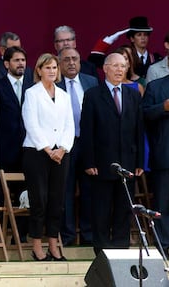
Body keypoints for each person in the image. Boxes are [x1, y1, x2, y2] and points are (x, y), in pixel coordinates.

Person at [80, 53, 144, 255]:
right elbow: (87, 130)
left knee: (124, 210)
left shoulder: (133, 95)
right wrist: (89, 161)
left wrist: (140, 160)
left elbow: (138, 130)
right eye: (115, 66)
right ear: (105, 68)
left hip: (127, 163)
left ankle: (121, 251)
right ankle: (102, 253)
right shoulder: (92, 95)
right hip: (102, 163)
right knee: (101, 209)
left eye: (123, 66)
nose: (119, 70)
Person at [22, 53, 74, 261]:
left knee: (57, 201)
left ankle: (53, 244)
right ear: (39, 70)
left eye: (54, 67)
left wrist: (62, 148)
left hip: (61, 154)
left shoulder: (64, 95)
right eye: (47, 67)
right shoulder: (32, 93)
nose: (52, 71)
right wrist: (48, 149)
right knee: (39, 201)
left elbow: (69, 124)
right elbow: (31, 123)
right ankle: (36, 245)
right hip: (37, 153)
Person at [0, 46, 33, 242]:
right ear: (6, 64)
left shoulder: (33, 87)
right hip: (3, 151)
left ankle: (21, 236)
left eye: (23, 60)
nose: (21, 64)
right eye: (16, 60)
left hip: (27, 151)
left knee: (25, 194)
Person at [57, 47, 98, 246]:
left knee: (90, 190)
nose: (71, 63)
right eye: (66, 60)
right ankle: (68, 235)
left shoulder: (91, 82)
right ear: (59, 63)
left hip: (87, 143)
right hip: (64, 144)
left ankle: (89, 234)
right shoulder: (54, 84)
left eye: (75, 59)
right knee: (65, 190)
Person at [143, 73, 169, 258]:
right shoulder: (155, 86)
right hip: (164, 156)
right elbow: (144, 115)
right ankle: (164, 246)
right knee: (163, 205)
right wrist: (164, 107)